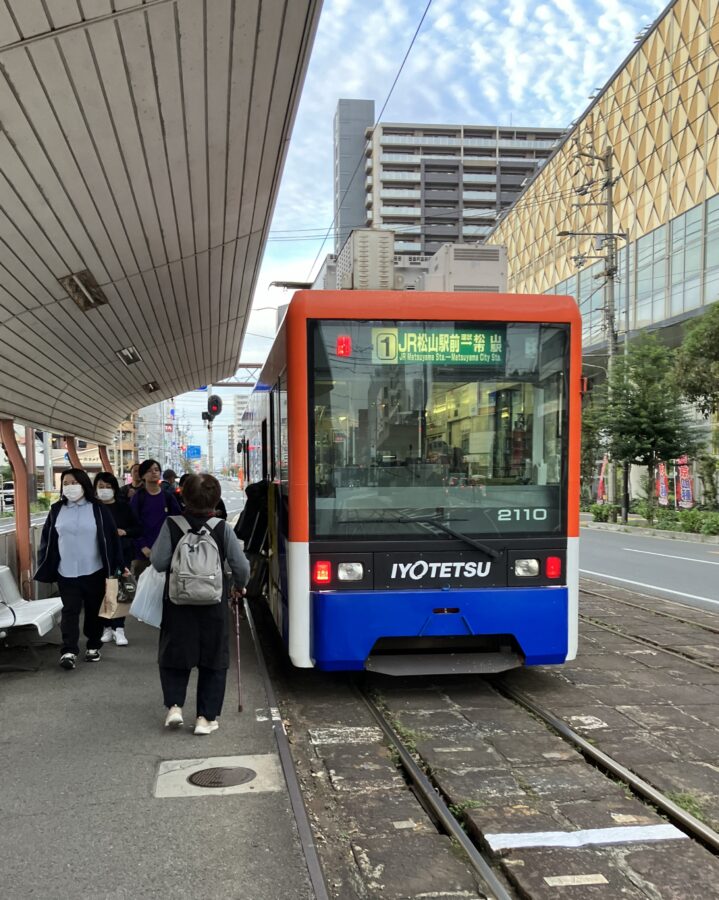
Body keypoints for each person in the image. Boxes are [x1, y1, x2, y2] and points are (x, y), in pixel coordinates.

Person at [151, 474, 249, 735]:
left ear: (183, 496)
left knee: (175, 655)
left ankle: (174, 707)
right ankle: (206, 719)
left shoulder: (172, 524)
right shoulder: (221, 527)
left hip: (177, 602)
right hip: (213, 603)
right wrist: (239, 585)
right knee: (213, 658)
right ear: (216, 499)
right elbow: (241, 565)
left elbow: (159, 562)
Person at [34, 468, 124, 670]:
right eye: (65, 483)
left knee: (93, 610)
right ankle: (69, 650)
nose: (70, 487)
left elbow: (111, 539)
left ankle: (93, 645)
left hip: (94, 569)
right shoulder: (57, 509)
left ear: (83, 484)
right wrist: (46, 563)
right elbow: (47, 539)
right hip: (65, 571)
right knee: (70, 611)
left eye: (74, 482)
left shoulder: (99, 509)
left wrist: (118, 565)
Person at [94, 471, 141, 646]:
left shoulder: (124, 507)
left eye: (108, 487)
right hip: (97, 555)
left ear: (114, 489)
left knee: (118, 589)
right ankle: (106, 627)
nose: (104, 490)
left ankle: (119, 628)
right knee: (103, 591)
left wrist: (125, 532)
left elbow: (138, 528)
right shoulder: (93, 508)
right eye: (100, 487)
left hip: (121, 553)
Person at [130, 459, 182, 577]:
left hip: (166, 552)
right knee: (143, 589)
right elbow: (133, 523)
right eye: (149, 471)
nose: (154, 473)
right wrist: (142, 545)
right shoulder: (138, 498)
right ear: (143, 475)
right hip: (143, 554)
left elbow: (177, 521)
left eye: (156, 470)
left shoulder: (168, 497)